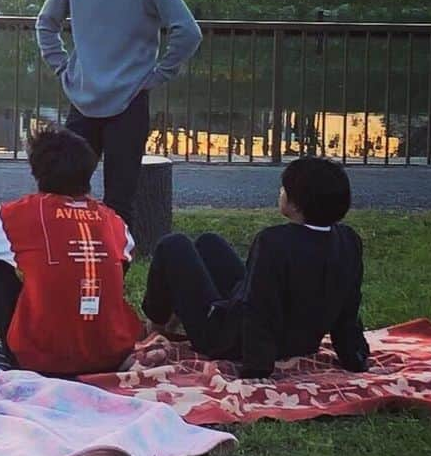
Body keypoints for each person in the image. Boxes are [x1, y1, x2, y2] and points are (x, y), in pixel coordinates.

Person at [35, 0, 202, 227]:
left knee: (119, 199)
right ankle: (66, 262)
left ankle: (115, 271)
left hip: (128, 104)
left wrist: (157, 75)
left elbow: (188, 31)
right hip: (82, 102)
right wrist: (62, 67)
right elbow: (46, 23)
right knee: (61, 193)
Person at [0, 127, 144, 375]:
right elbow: (126, 258)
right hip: (112, 355)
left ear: (36, 171)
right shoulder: (113, 221)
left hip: (41, 359)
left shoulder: (19, 214)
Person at [140, 156, 370, 378]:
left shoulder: (273, 242)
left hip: (229, 341)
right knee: (208, 243)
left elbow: (260, 306)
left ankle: (156, 325)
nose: (280, 193)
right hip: (299, 340)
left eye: (283, 189)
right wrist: (354, 355)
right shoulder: (348, 240)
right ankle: (174, 317)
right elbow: (348, 306)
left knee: (172, 245)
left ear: (296, 204)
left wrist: (256, 368)